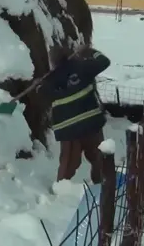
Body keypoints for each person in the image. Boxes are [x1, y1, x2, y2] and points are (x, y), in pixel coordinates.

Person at [38, 45, 111, 184]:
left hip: (68, 130)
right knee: (98, 157)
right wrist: (91, 52)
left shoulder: (50, 80)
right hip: (91, 123)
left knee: (68, 163)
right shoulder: (83, 67)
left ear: (52, 62)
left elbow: (41, 96)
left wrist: (40, 85)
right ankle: (102, 183)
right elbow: (104, 62)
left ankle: (61, 190)